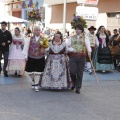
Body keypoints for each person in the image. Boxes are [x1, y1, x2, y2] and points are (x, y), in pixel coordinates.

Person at [66, 24, 91, 94]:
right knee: (72, 72)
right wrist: (72, 49)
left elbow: (88, 45)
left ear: (81, 30)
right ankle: (74, 83)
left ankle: (78, 87)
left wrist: (89, 52)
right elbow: (67, 46)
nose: (77, 30)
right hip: (73, 57)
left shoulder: (85, 38)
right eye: (76, 29)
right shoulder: (71, 38)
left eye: (79, 29)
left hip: (81, 57)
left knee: (80, 73)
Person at [23, 26, 45, 92]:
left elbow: (46, 47)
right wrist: (25, 56)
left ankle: (36, 85)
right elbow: (26, 48)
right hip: (31, 57)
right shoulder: (29, 39)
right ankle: (33, 81)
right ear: (34, 31)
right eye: (36, 30)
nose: (38, 31)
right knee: (29, 72)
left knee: (38, 72)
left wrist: (45, 50)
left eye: (39, 30)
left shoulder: (43, 39)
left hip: (40, 57)